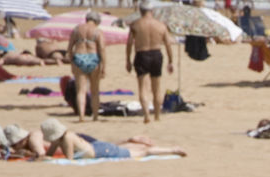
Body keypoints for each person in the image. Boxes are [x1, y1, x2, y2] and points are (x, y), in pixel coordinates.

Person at [39, 118, 189, 161]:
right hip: (99, 148)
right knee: (133, 149)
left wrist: (44, 160)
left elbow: (69, 159)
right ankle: (133, 140)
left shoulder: (67, 139)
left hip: (101, 151)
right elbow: (50, 155)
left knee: (143, 153)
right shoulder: (61, 138)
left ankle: (172, 149)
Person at [126, 0, 175, 125]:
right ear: (152, 11)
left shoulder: (136, 24)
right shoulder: (160, 25)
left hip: (141, 54)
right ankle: (157, 115)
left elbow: (129, 44)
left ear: (140, 11)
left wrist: (128, 60)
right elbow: (168, 44)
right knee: (157, 87)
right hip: (156, 54)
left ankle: (147, 115)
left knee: (143, 87)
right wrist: (170, 61)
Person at [68, 10, 105, 123]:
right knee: (94, 90)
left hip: (79, 56)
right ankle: (95, 116)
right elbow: (102, 49)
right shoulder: (98, 31)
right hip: (93, 57)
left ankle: (81, 116)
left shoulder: (76, 29)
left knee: (81, 91)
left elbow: (70, 48)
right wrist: (103, 66)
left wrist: (72, 62)